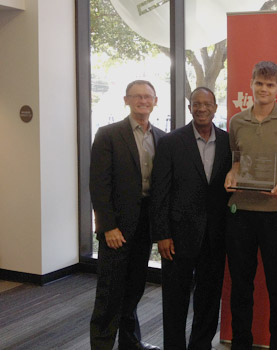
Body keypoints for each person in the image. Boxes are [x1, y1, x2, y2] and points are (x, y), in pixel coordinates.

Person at [224, 61, 277, 350]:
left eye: (270, 85)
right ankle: (241, 343)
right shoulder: (236, 121)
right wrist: (232, 173)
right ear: (251, 84)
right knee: (241, 285)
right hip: (242, 213)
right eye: (259, 83)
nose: (264, 89)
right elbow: (236, 160)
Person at [150, 87, 232, 350]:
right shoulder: (171, 142)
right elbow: (159, 192)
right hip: (177, 235)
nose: (201, 108)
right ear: (190, 109)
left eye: (207, 104)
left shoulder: (228, 142)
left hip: (215, 236)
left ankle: (201, 345)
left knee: (209, 298)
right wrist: (161, 234)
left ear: (215, 107)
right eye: (196, 104)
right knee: (175, 299)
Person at [89, 80, 164, 350]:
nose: (143, 101)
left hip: (145, 224)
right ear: (126, 100)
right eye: (137, 96)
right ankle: (101, 345)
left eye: (148, 96)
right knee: (109, 292)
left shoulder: (162, 137)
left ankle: (130, 343)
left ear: (156, 101)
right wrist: (107, 226)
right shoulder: (108, 134)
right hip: (117, 227)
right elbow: (99, 184)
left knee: (134, 288)